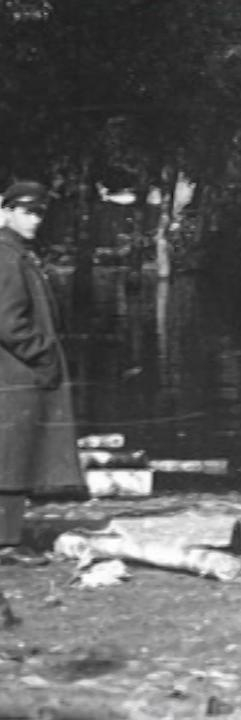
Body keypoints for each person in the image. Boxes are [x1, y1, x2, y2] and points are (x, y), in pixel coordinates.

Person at [0, 181, 87, 559]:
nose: (34, 220)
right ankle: (5, 542)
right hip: (16, 373)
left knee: (16, 453)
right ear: (7, 212)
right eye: (27, 212)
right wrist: (43, 356)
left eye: (39, 213)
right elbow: (9, 321)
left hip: (19, 371)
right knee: (12, 456)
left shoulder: (19, 252)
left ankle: (10, 535)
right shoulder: (6, 254)